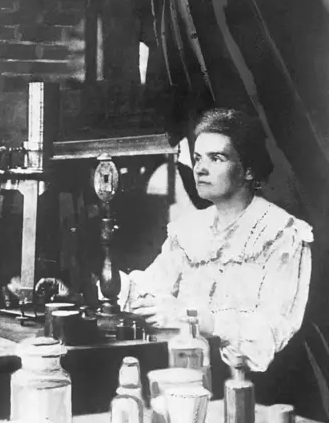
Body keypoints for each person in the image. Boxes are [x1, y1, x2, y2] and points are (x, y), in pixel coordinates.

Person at [114, 108, 313, 372]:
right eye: (197, 158)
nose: (200, 169)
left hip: (253, 383)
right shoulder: (189, 230)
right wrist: (105, 280)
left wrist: (190, 316)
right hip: (187, 368)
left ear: (248, 170)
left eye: (216, 158)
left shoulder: (281, 233)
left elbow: (271, 330)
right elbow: (151, 288)